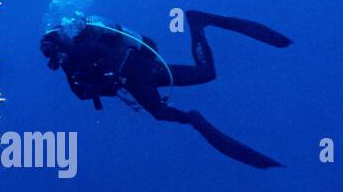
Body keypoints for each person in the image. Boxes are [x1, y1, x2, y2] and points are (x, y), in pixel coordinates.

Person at [40, 10, 290, 168]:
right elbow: (83, 93)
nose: (54, 57)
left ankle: (197, 26)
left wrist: (89, 76)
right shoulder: (71, 62)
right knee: (202, 76)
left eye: (53, 49)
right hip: (136, 77)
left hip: (139, 72)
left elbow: (104, 72)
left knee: (174, 101)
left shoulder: (83, 44)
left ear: (61, 39)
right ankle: (198, 24)